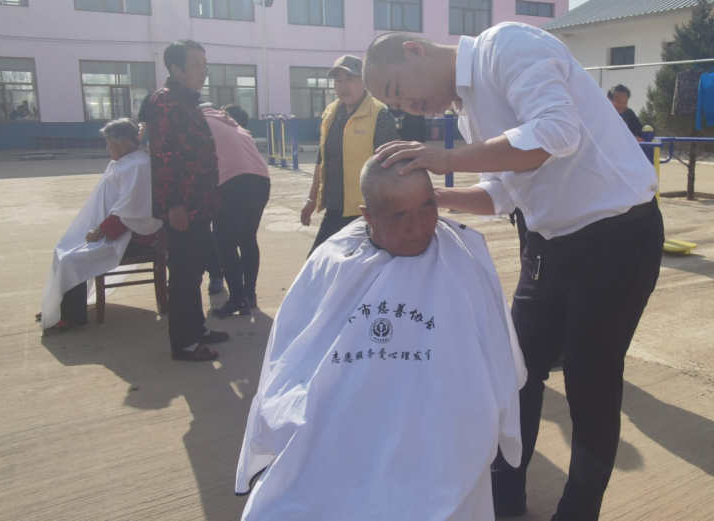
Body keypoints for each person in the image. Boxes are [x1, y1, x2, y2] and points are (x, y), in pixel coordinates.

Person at [363, 23, 664, 521]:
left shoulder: (506, 47)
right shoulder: (468, 113)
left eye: (399, 91)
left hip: (614, 233)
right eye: (397, 106)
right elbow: (502, 193)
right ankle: (504, 500)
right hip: (549, 243)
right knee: (514, 374)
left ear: (414, 51)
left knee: (590, 382)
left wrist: (446, 159)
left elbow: (555, 133)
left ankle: (578, 512)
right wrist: (429, 199)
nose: (409, 107)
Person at [235, 156, 526, 520]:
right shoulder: (333, 262)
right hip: (343, 421)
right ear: (368, 216)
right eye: (399, 216)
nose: (419, 227)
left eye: (427, 208)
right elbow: (292, 357)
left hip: (440, 424)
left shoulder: (462, 257)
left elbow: (497, 354)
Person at [144, 40, 228, 362]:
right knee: (182, 274)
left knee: (195, 270)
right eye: (196, 64)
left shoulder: (188, 101)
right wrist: (175, 204)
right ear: (176, 68)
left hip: (200, 203)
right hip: (183, 206)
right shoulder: (164, 102)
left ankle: (197, 328)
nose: (203, 71)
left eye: (205, 64)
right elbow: (165, 157)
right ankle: (183, 343)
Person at [39, 118, 163, 335]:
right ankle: (59, 307)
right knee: (63, 249)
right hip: (118, 230)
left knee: (72, 259)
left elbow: (131, 210)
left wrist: (101, 231)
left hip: (132, 237)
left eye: (108, 142)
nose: (106, 148)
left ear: (123, 143)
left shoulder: (138, 165)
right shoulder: (125, 161)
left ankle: (73, 318)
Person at [300, 54, 398, 257]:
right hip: (335, 206)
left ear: (364, 81)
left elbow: (388, 168)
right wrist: (311, 200)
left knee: (363, 266)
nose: (343, 86)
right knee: (317, 260)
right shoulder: (330, 113)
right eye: (338, 80)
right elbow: (321, 159)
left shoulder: (379, 115)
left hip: (366, 212)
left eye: (350, 79)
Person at [202, 104, 271, 317]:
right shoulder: (233, 124)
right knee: (248, 239)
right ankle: (249, 295)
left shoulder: (199, 120)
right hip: (261, 180)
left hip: (234, 182)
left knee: (225, 244)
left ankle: (237, 299)